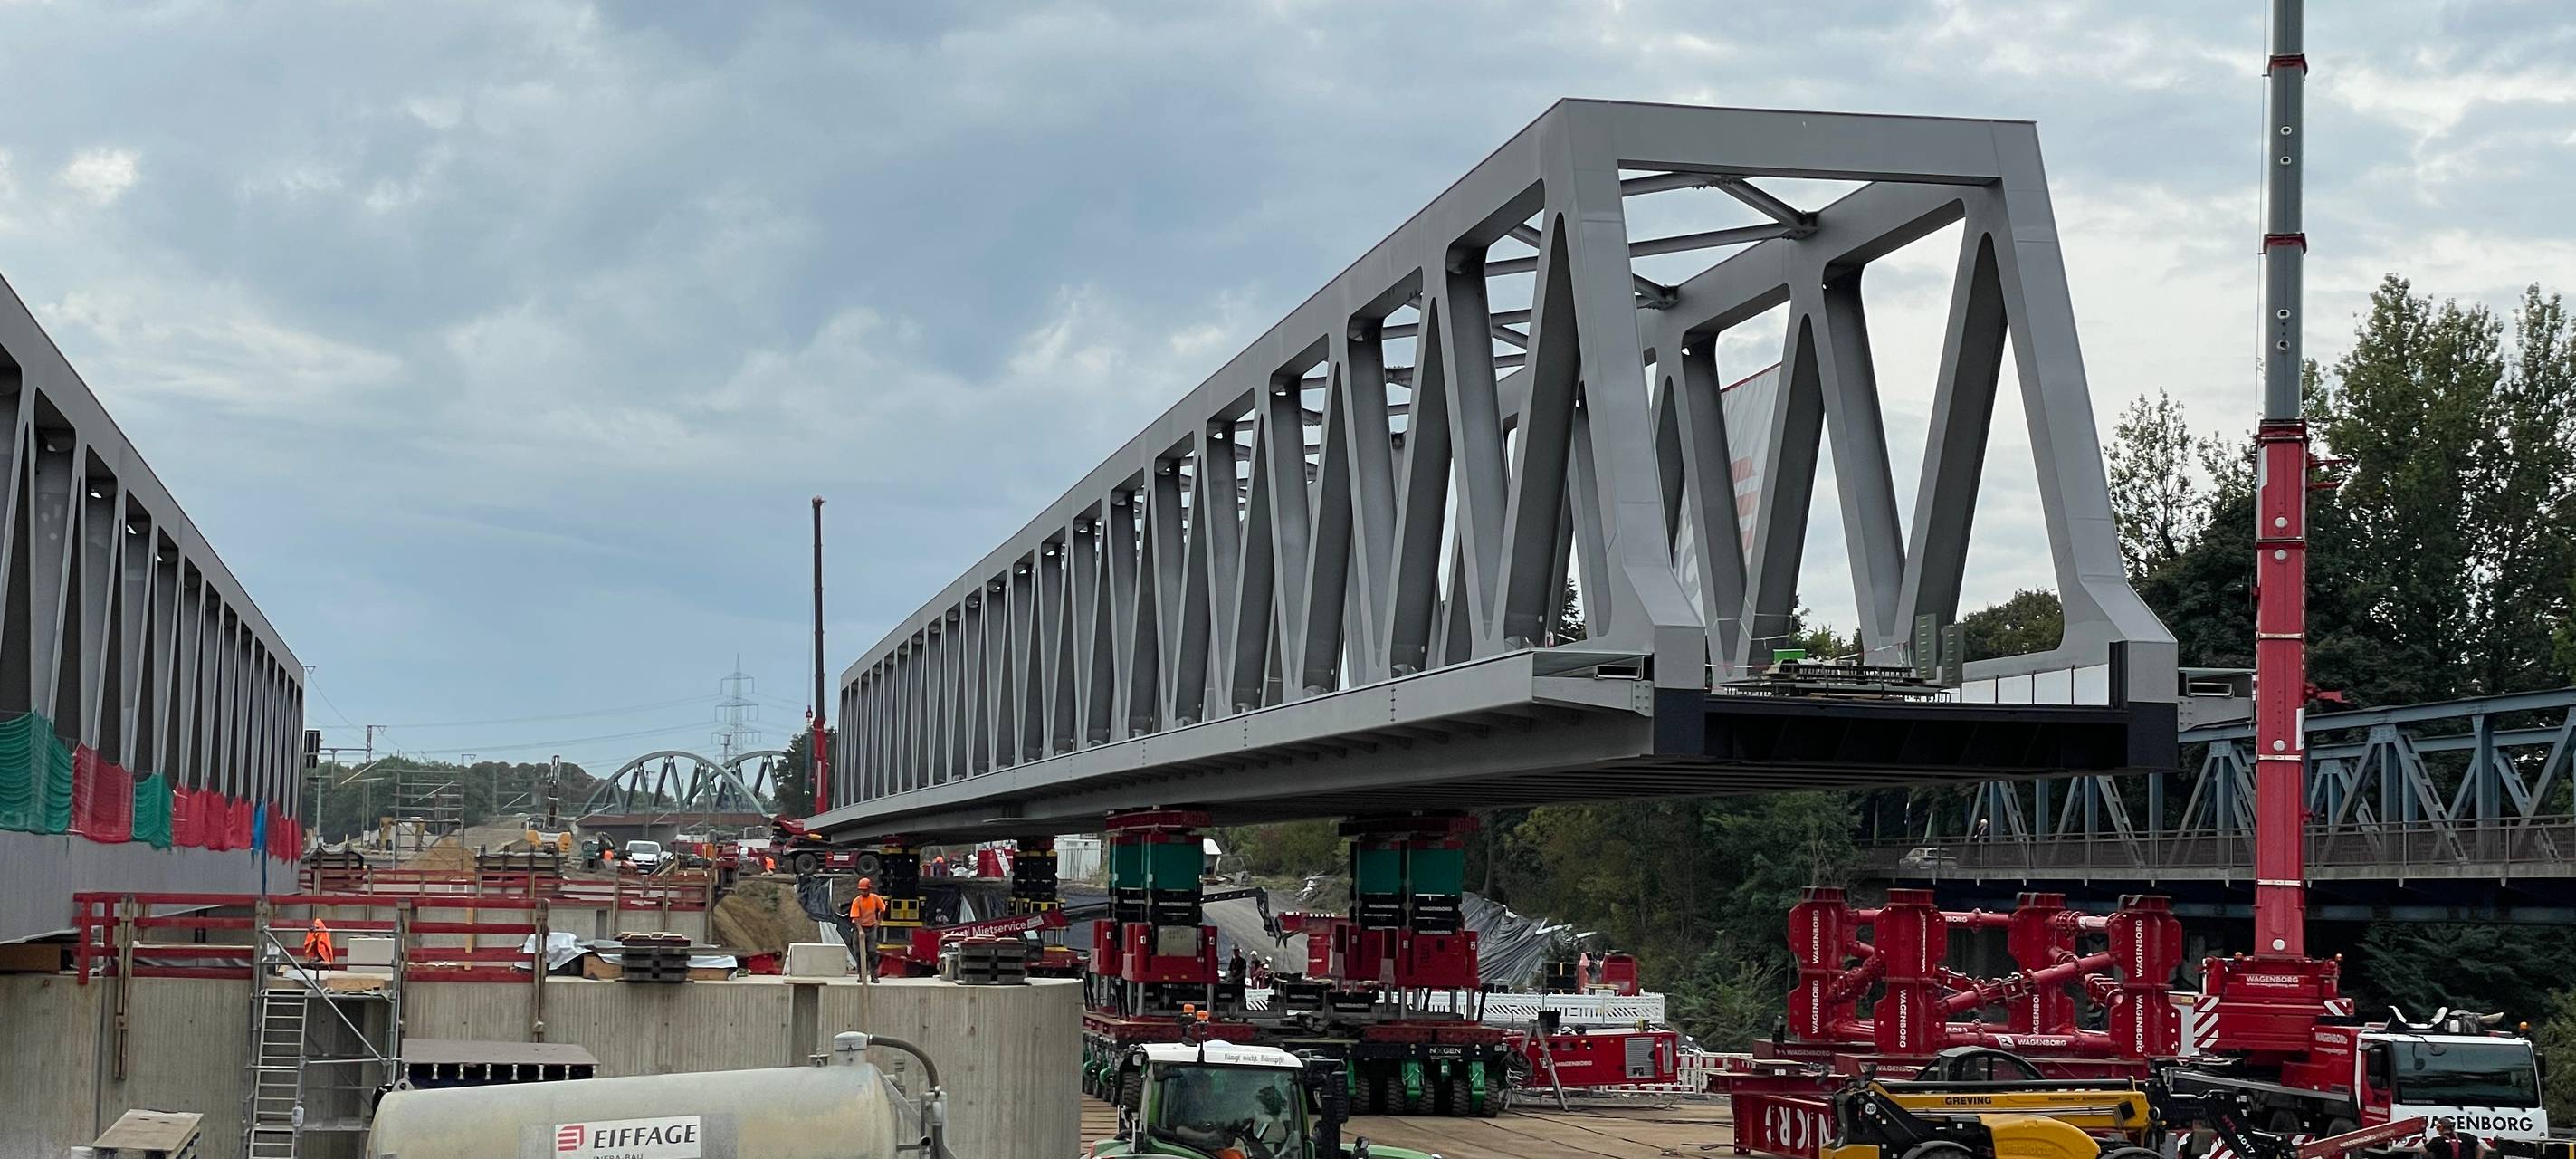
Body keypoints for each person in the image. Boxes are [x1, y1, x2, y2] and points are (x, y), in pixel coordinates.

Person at [847, 876, 888, 981]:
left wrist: (878, 923)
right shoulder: (857, 901)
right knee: (859, 953)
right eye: (861, 890)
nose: (863, 892)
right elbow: (855, 917)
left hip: (871, 928)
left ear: (869, 889)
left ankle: (874, 975)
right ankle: (862, 976)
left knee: (872, 952)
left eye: (865, 890)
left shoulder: (875, 898)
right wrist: (860, 931)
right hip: (859, 929)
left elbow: (882, 909)